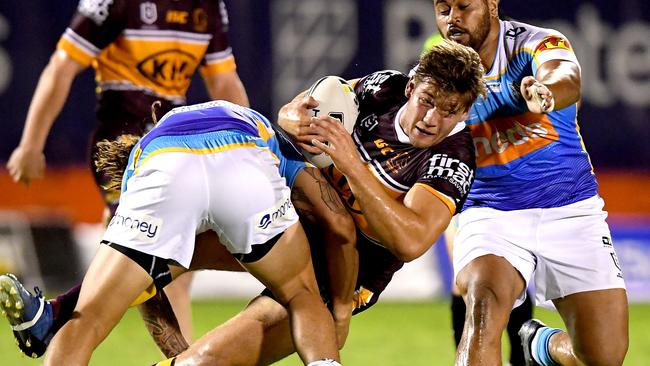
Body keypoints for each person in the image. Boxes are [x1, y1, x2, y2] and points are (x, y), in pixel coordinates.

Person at [148, 39, 486, 365]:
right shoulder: (382, 90)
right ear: (411, 87)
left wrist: (351, 161)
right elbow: (297, 110)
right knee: (149, 258)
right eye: (427, 100)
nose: (431, 119)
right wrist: (292, 117)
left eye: (449, 110)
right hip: (285, 225)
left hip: (339, 276)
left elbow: (410, 242)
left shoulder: (452, 158)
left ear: (465, 112)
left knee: (207, 361)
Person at [5, 0, 249, 344]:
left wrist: (252, 144)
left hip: (174, 145)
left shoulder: (208, 6)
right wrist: (31, 144)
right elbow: (62, 66)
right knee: (150, 252)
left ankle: (52, 318)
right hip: (121, 147)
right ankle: (56, 319)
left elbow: (224, 82)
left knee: (174, 258)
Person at [32, 100, 342, 366]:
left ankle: (52, 313)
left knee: (87, 320)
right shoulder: (257, 123)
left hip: (166, 166)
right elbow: (336, 219)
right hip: (243, 158)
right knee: (302, 293)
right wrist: (340, 304)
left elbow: (146, 290)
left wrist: (181, 355)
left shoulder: (142, 159)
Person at [432, 1, 628, 365]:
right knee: (482, 316)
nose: (453, 18)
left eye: (464, 6)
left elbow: (565, 74)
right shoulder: (439, 76)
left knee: (603, 356)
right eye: (443, 8)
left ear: (491, 5)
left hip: (570, 209)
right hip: (490, 214)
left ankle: (539, 345)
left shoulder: (535, 44)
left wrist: (546, 91)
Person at [421, 28, 532, 366]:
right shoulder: (436, 48)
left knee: (513, 278)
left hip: (501, 180)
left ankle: (522, 354)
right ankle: (465, 356)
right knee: (464, 280)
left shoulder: (508, 54)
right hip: (458, 177)